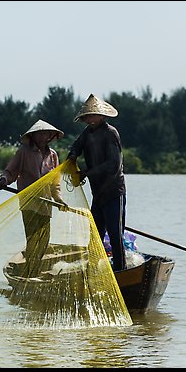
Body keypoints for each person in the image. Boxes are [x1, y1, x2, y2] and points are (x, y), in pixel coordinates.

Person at [0, 119, 66, 277]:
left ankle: (35, 270)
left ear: (50, 136)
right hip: (29, 202)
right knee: (32, 239)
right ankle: (31, 273)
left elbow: (55, 183)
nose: (42, 137)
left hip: (46, 204)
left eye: (46, 134)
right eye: (39, 134)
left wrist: (58, 200)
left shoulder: (52, 156)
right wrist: (3, 181)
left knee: (44, 240)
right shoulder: (24, 152)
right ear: (33, 136)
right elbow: (11, 171)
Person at [66, 94, 127, 271]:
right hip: (98, 193)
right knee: (95, 235)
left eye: (92, 115)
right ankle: (93, 269)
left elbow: (113, 165)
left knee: (115, 234)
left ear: (101, 115)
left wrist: (87, 172)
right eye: (87, 117)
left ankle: (120, 270)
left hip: (114, 191)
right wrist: (72, 156)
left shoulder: (110, 133)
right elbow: (76, 145)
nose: (89, 119)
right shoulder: (87, 133)